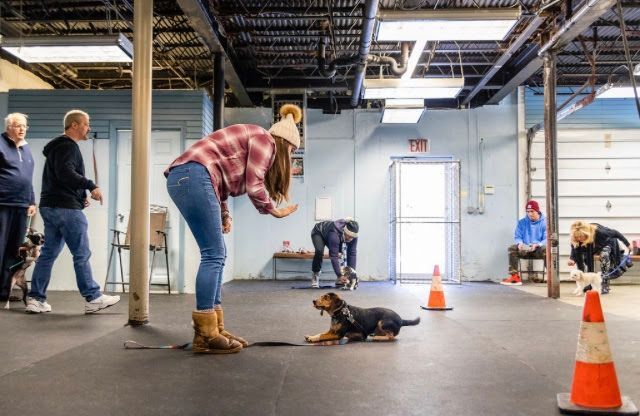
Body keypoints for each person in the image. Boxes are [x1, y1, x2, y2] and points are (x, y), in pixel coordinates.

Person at [165, 103, 302, 354]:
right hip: (193, 176)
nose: (291, 157)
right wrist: (274, 210)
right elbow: (254, 184)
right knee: (213, 254)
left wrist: (224, 214)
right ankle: (205, 334)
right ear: (286, 144)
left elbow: (221, 182)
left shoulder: (256, 139)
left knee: (218, 254)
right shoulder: (266, 140)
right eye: (292, 150)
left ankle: (215, 328)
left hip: (191, 177)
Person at [26, 110, 120, 314]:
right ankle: (93, 297)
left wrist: (79, 195)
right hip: (66, 209)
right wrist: (90, 185)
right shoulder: (68, 146)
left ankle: (35, 298)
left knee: (48, 254)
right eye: (86, 124)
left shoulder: (57, 147)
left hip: (50, 206)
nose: (89, 128)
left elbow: (61, 176)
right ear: (74, 125)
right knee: (81, 253)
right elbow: (66, 172)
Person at [0, 113, 37, 303]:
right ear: (8, 127)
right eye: (17, 126)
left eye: (24, 126)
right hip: (3, 205)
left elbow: (27, 179)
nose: (22, 129)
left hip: (22, 206)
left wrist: (32, 201)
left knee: (14, 251)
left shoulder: (26, 148)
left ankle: (4, 291)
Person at [568, 221, 632, 294]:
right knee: (587, 260)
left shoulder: (600, 232)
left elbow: (616, 233)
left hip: (606, 243)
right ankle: (587, 283)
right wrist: (572, 258)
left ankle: (604, 283)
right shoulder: (578, 239)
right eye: (577, 237)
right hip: (591, 244)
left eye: (581, 236)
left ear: (586, 233)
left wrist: (628, 245)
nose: (579, 239)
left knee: (604, 255)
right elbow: (575, 248)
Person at [501, 200, 547, 286]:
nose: (530, 214)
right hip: (524, 250)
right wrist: (520, 243)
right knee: (512, 248)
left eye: (532, 211)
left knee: (547, 250)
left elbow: (546, 239)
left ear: (537, 211)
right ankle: (514, 277)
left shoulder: (545, 222)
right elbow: (518, 236)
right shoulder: (522, 222)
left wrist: (538, 244)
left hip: (537, 250)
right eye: (528, 212)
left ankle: (551, 276)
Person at [310, 218, 358, 288]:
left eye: (353, 237)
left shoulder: (353, 236)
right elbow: (334, 256)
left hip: (333, 235)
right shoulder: (334, 235)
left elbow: (352, 253)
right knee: (319, 251)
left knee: (342, 252)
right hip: (319, 232)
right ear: (345, 231)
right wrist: (339, 275)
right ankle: (315, 274)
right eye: (349, 236)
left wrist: (351, 274)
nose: (351, 239)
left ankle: (343, 278)